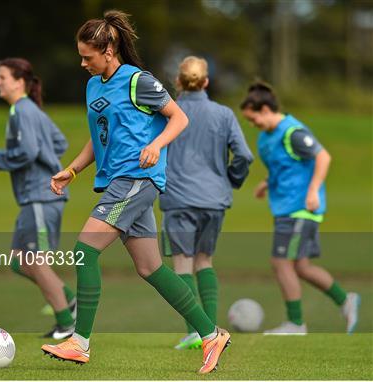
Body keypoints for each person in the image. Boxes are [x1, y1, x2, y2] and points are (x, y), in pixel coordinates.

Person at [41, 11, 231, 374]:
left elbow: (179, 117)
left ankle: (79, 342)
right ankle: (211, 335)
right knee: (150, 267)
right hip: (118, 182)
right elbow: (100, 139)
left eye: (88, 56)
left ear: (109, 50)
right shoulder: (94, 85)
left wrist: (157, 145)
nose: (82, 63)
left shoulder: (138, 81)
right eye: (81, 56)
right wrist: (72, 170)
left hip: (137, 180)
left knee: (84, 251)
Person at [240, 82, 360, 335]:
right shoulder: (265, 138)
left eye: (253, 119)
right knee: (301, 267)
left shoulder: (292, 131)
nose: (253, 124)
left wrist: (314, 189)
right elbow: (283, 169)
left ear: (264, 109)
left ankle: (296, 324)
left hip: (300, 208)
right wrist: (266, 184)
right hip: (285, 208)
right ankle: (345, 300)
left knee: (280, 262)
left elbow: (323, 157)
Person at [160, 56, 253, 350]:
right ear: (206, 82)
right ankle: (212, 332)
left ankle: (197, 333)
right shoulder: (224, 114)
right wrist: (230, 180)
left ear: (178, 81)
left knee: (183, 264)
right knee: (205, 261)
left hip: (178, 198)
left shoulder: (165, 112)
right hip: (214, 199)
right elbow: (244, 156)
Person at [0, 57, 77, 340]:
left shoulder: (22, 111)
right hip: (36, 198)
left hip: (40, 197)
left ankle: (67, 324)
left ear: (19, 82)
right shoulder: (29, 110)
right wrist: (48, 157)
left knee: (34, 261)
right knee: (19, 261)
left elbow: (28, 151)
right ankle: (70, 301)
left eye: (2, 77)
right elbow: (58, 142)